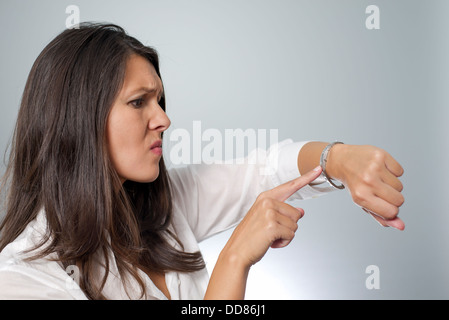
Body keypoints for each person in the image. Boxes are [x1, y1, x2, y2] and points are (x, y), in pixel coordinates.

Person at [0, 23, 404, 300]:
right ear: (77, 117)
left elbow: (263, 169)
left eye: (159, 100)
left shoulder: (160, 205)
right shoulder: (22, 279)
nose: (163, 119)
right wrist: (234, 258)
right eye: (139, 102)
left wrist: (339, 159)